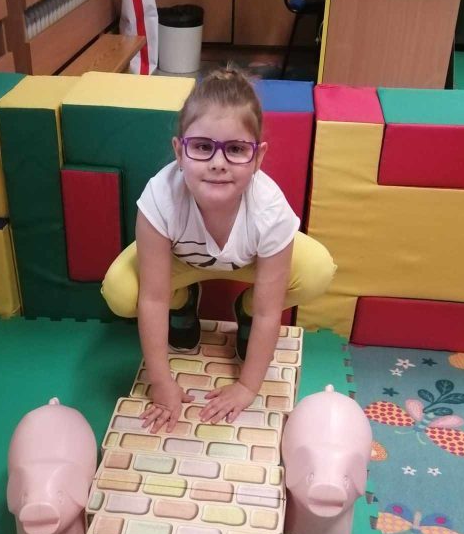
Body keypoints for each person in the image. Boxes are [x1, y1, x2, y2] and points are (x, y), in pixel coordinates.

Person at [101, 67, 335, 432]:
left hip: (248, 262)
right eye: (202, 147)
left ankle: (243, 310)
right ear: (179, 151)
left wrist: (247, 386)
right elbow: (152, 297)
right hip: (179, 261)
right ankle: (183, 302)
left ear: (257, 158)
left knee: (319, 268)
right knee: (119, 290)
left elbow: (270, 312)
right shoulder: (161, 197)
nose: (218, 162)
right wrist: (160, 383)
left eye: (236, 149)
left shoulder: (269, 209)